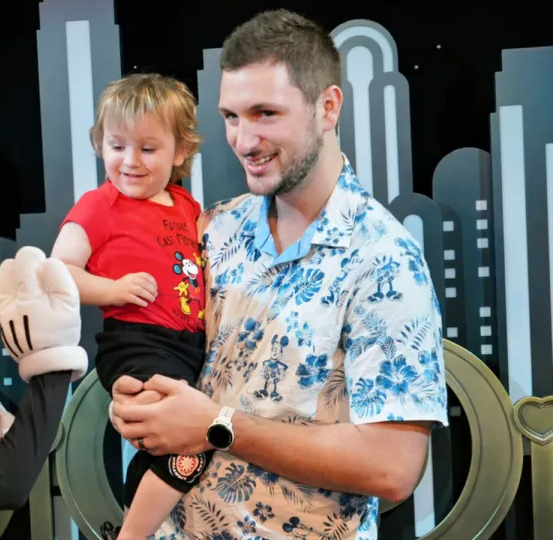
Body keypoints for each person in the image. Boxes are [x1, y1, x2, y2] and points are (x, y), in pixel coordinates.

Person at [108, 10, 449, 540]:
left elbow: (393, 467)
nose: (244, 140)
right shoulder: (211, 228)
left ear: (328, 107)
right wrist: (136, 400)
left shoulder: (384, 259)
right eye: (232, 116)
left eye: (265, 113)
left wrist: (216, 426)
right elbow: (165, 355)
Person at [50, 73, 212, 540]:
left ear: (180, 152)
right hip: (136, 343)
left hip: (189, 347)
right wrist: (112, 290)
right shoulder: (99, 206)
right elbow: (57, 273)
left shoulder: (186, 205)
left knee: (174, 451)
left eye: (147, 148)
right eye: (117, 146)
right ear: (101, 144)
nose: (130, 162)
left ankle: (148, 524)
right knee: (190, 446)